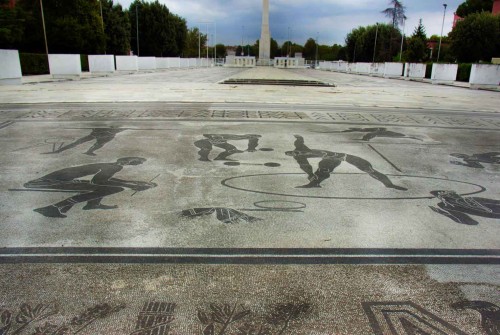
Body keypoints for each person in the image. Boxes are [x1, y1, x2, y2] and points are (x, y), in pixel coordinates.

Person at [24, 157, 156, 218]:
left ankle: (93, 203)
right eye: (138, 162)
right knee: (113, 188)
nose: (138, 164)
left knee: (110, 186)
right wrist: (129, 186)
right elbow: (97, 182)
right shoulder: (115, 167)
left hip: (51, 180)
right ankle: (52, 208)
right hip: (48, 182)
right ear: (128, 161)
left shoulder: (110, 164)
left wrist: (134, 183)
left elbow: (106, 179)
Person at [285, 135, 407, 190]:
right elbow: (305, 167)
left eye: (294, 152)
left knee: (369, 170)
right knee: (323, 167)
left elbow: (299, 142)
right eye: (294, 155)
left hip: (346, 157)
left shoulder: (301, 149)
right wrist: (311, 176)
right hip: (333, 159)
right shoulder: (300, 158)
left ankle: (388, 184)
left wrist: (299, 138)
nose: (296, 154)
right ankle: (314, 184)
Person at [429, 190, 500, 225]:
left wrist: (442, 212)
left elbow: (495, 202)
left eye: (452, 193)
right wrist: (443, 212)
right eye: (444, 194)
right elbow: (471, 222)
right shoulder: (447, 206)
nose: (454, 194)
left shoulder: (472, 199)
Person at [43, 127, 127, 156]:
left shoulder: (108, 134)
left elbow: (119, 129)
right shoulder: (101, 133)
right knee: (78, 143)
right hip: (102, 134)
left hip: (105, 135)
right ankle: (59, 151)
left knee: (99, 144)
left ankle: (89, 151)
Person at [194, 134, 261, 161]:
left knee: (232, 149)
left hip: (217, 141)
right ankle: (203, 158)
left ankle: (220, 157)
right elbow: (237, 138)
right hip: (204, 141)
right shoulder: (228, 136)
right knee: (207, 147)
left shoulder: (225, 137)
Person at [341, 127, 422, 142]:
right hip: (380, 132)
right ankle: (411, 137)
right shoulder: (373, 132)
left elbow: (365, 131)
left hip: (381, 132)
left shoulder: (373, 133)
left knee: (396, 135)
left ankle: (411, 137)